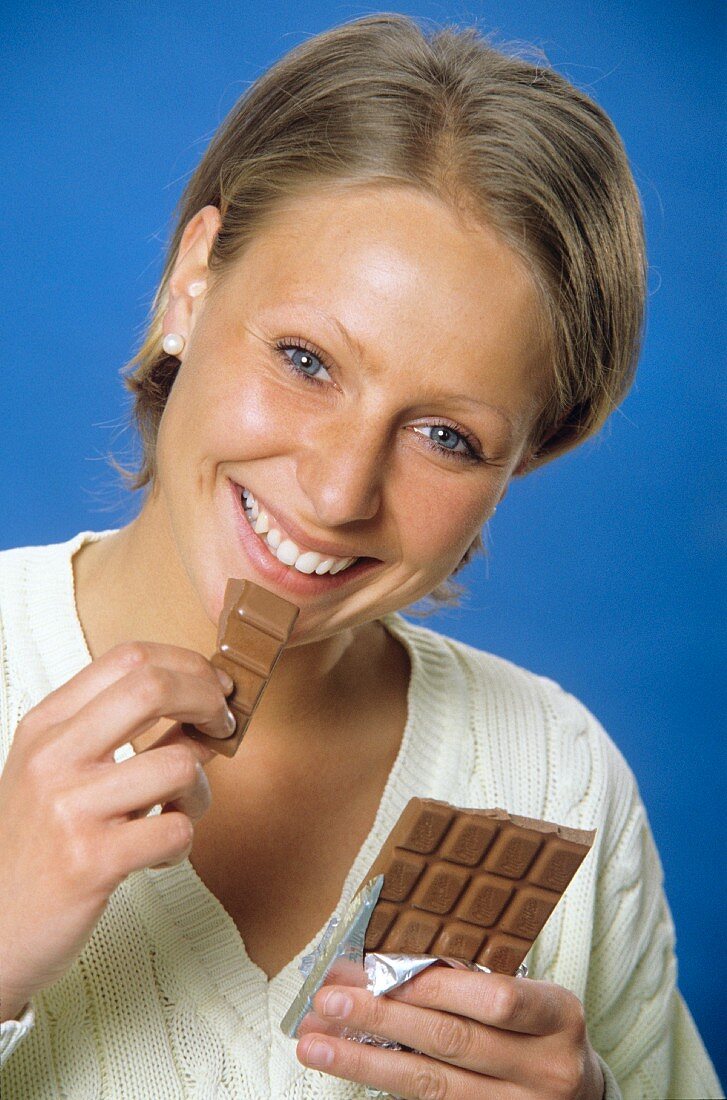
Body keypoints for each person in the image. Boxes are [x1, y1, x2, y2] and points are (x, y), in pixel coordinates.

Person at [0, 12, 720, 1100]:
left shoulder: (557, 772)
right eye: (305, 358)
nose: (338, 491)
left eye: (448, 436)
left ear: (522, 461)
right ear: (192, 285)